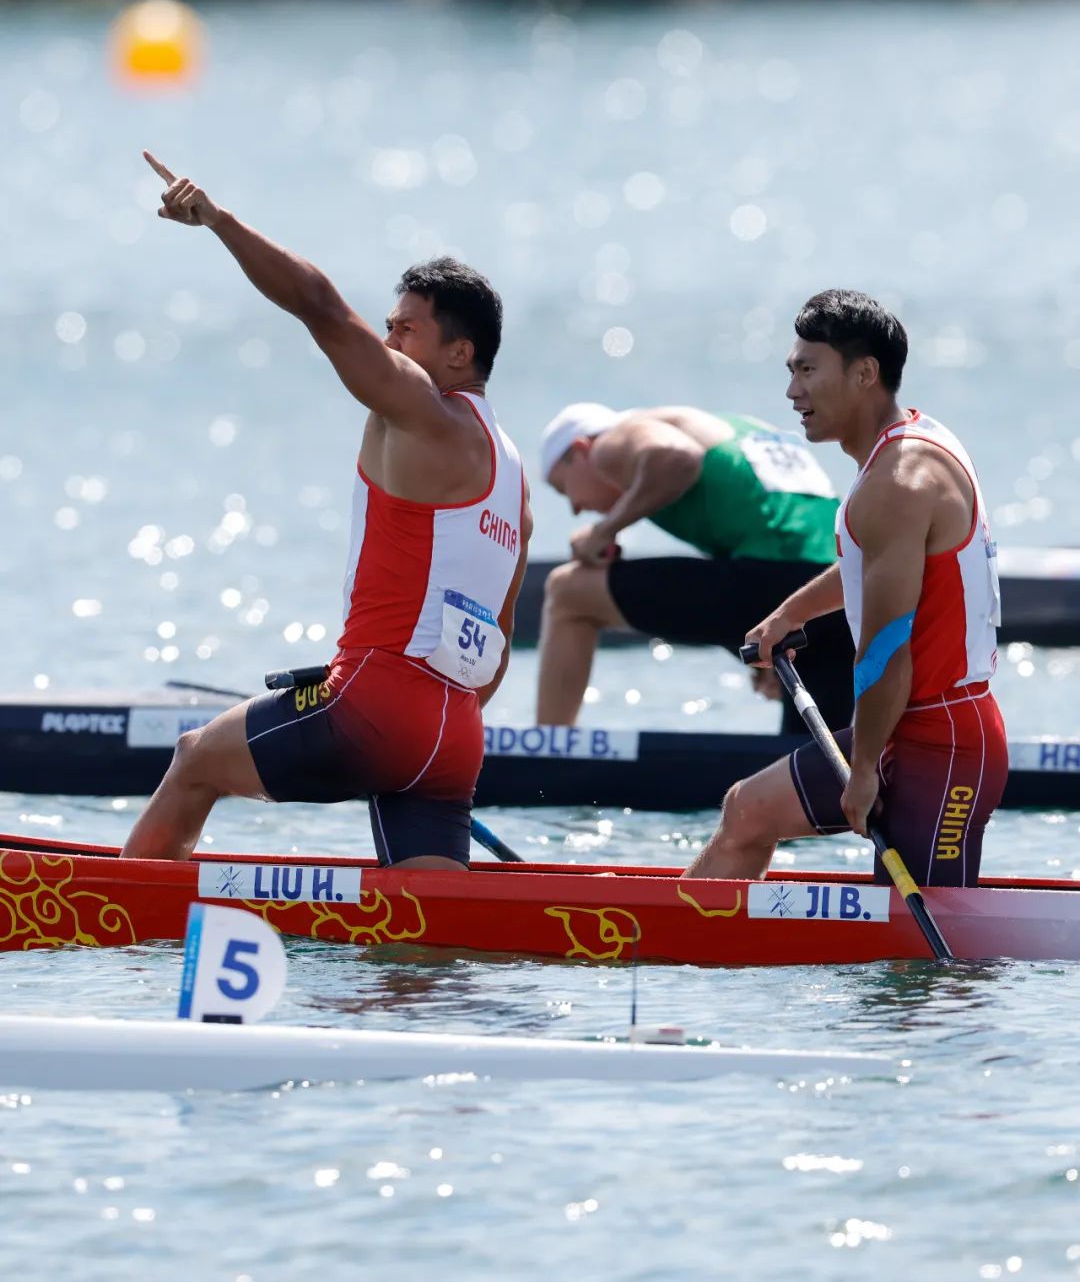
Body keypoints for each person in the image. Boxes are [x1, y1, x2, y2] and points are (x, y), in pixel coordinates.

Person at [120, 152, 530, 872]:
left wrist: (217, 220)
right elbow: (500, 633)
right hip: (455, 738)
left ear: (459, 352)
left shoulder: (424, 412)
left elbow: (319, 306)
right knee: (429, 931)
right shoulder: (515, 481)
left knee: (195, 760)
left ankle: (119, 919)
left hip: (373, 705)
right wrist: (428, 721)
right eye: (388, 326)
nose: (387, 343)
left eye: (405, 330)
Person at [684, 289, 1006, 887]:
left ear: (864, 374)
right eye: (791, 371)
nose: (792, 391)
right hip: (900, 726)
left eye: (808, 371)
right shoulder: (905, 446)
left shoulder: (898, 483)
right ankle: (682, 941)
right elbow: (872, 563)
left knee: (918, 940)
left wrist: (862, 770)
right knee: (746, 812)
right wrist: (789, 615)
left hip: (945, 745)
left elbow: (885, 648)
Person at [537, 403, 854, 732]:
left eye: (563, 489)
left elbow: (678, 458)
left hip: (782, 577)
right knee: (814, 756)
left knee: (568, 592)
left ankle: (549, 746)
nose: (574, 509)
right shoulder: (742, 426)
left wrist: (604, 530)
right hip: (842, 595)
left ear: (580, 450)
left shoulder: (612, 440)